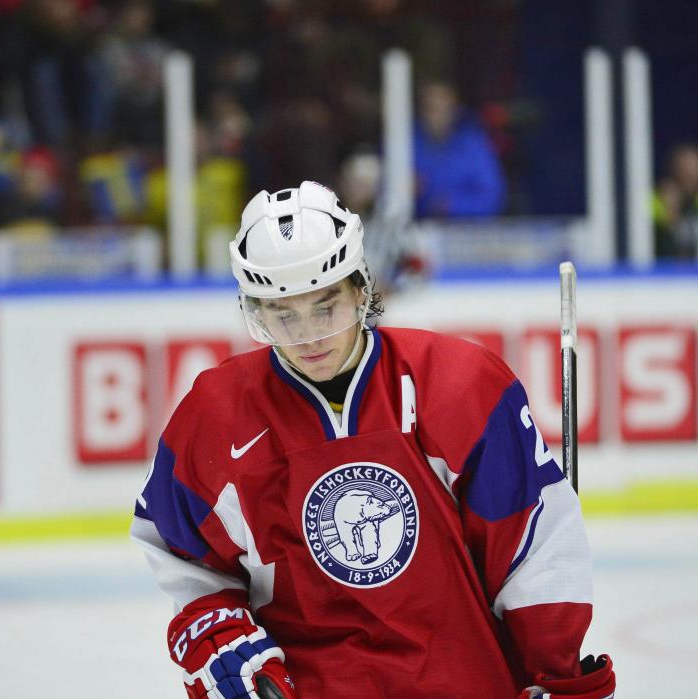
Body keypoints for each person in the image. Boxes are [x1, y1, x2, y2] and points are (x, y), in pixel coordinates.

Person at [131, 181, 615, 698]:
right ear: (255, 311)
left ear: (361, 290)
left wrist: (556, 673)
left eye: (325, 306)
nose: (308, 336)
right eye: (282, 313)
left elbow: (531, 548)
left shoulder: (458, 385)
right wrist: (219, 637)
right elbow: (189, 562)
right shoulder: (216, 414)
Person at [413, 79, 506, 218]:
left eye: (443, 108)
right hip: (416, 232)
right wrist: (404, 190)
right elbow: (382, 191)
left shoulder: (473, 143)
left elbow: (493, 197)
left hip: (466, 234)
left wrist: (451, 205)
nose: (437, 116)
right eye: (431, 108)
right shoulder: (406, 143)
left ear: (454, 110)